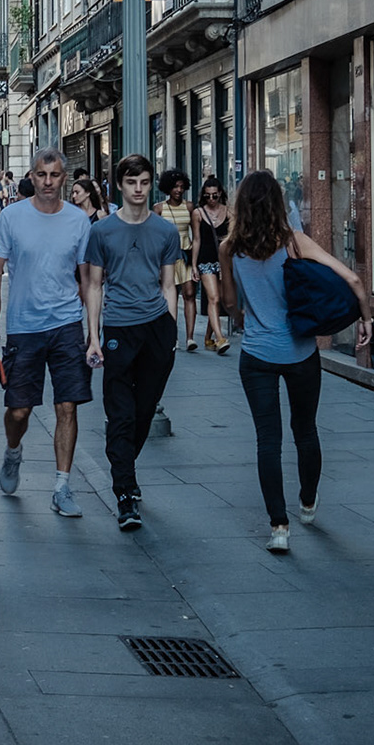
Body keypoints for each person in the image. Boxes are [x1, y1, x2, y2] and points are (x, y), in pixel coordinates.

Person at [222, 170, 372, 555]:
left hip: (255, 355)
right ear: (277, 203)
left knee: (267, 440)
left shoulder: (229, 248)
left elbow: (228, 305)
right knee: (305, 430)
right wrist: (366, 320)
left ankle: (278, 526)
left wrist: (251, 305)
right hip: (301, 353)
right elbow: (353, 281)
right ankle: (307, 500)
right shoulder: (294, 242)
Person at [0, 147, 93, 517]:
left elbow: (87, 280)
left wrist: (93, 333)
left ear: (65, 179)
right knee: (19, 411)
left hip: (66, 324)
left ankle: (62, 486)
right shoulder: (11, 218)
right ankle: (13, 451)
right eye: (41, 175)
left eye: (55, 176)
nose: (48, 182)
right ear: (31, 177)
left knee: (67, 405)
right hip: (24, 326)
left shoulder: (79, 221)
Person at [84, 155, 184, 533]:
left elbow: (169, 284)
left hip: (158, 328)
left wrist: (171, 331)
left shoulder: (165, 231)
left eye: (144, 182)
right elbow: (94, 285)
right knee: (121, 414)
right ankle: (124, 493)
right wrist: (93, 337)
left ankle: (127, 469)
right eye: (131, 183)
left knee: (143, 413)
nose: (138, 190)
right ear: (120, 186)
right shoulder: (102, 232)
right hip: (119, 329)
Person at [154, 170, 201, 352]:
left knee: (189, 294)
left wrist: (195, 263)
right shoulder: (159, 209)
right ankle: (171, 336)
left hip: (186, 254)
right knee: (168, 297)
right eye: (175, 186)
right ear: (168, 188)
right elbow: (155, 238)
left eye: (182, 186)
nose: (179, 190)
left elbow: (196, 237)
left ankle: (189, 337)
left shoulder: (189, 207)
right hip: (167, 257)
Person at [192, 175, 231, 354]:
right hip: (205, 260)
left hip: (223, 260)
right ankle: (220, 338)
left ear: (220, 194)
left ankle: (208, 337)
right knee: (213, 298)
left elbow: (232, 239)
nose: (211, 199)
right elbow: (197, 240)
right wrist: (193, 265)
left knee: (220, 299)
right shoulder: (198, 213)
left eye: (214, 195)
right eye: (208, 196)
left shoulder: (229, 212)